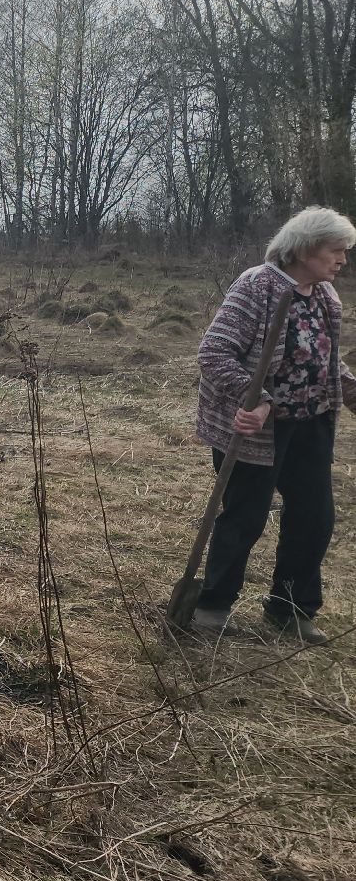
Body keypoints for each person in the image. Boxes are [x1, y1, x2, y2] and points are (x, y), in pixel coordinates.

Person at [192, 205, 356, 645]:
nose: (343, 260)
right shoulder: (258, 286)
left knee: (314, 517)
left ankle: (291, 609)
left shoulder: (324, 295)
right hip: (256, 428)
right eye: (336, 250)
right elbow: (214, 353)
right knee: (246, 516)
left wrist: (351, 392)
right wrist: (258, 399)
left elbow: (325, 359)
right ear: (304, 249)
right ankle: (212, 605)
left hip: (311, 423)